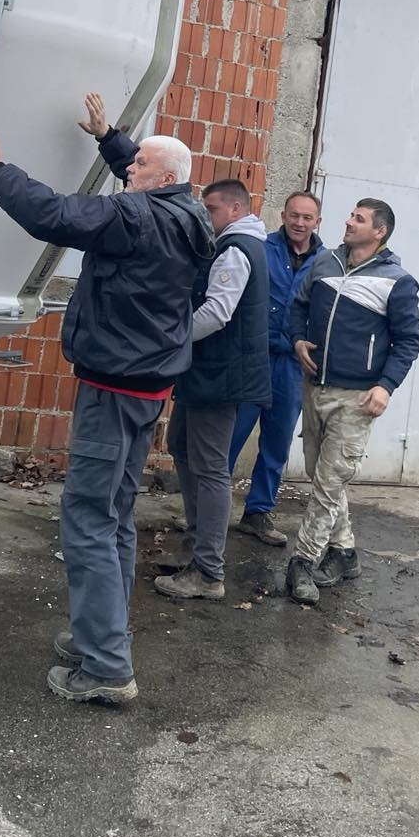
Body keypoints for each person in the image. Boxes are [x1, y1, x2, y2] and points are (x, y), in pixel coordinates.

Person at [0, 99, 214, 705]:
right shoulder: (189, 214)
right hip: (147, 386)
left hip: (114, 388)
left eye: (138, 168)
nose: (128, 172)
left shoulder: (135, 217)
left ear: (161, 180)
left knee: (87, 521)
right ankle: (98, 634)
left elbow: (54, 214)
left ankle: (105, 667)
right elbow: (144, 168)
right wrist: (111, 138)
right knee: (115, 515)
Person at [284, 198, 419, 606]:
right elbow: (299, 306)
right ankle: (344, 553)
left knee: (329, 481)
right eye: (350, 215)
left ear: (379, 231)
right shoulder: (324, 262)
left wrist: (386, 386)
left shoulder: (398, 281)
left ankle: (303, 562)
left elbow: (409, 340)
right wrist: (296, 339)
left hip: (357, 397)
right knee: (320, 473)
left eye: (358, 219)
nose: (348, 221)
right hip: (316, 386)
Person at [154, 178, 269, 602]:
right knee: (181, 446)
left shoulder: (236, 249)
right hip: (205, 371)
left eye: (213, 210)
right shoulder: (233, 244)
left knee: (210, 467)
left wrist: (169, 338)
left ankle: (208, 572)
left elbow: (217, 313)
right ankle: (195, 546)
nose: (207, 217)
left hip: (221, 376)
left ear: (236, 210)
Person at [228, 191, 323, 548]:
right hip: (253, 358)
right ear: (283, 215)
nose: (300, 223)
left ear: (317, 222)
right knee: (231, 435)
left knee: (277, 442)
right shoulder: (261, 249)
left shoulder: (326, 262)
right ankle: (207, 510)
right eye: (294, 215)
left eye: (307, 218)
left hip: (293, 365)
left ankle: (258, 512)